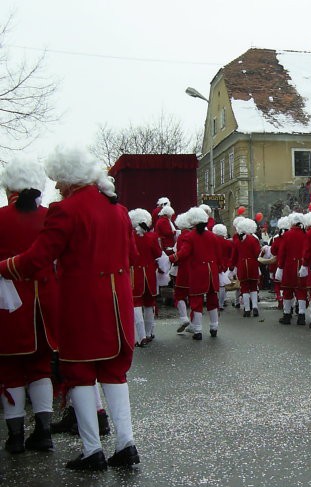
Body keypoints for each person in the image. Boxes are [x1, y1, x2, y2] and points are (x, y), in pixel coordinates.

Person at [0, 148, 140, 470]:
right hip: (118, 306)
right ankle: (126, 444)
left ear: (69, 177)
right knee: (114, 373)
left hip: (83, 307)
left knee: (79, 374)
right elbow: (130, 256)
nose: (58, 187)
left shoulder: (67, 210)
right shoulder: (118, 209)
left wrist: (5, 266)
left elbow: (37, 258)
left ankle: (92, 451)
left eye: (59, 180)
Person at [0, 159, 58, 455]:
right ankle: (45, 432)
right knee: (40, 367)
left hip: (9, 308)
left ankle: (15, 437)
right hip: (46, 303)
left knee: (9, 369)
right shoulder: (50, 217)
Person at [169, 207, 223, 339]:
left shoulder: (189, 236)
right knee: (212, 299)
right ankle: (214, 327)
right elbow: (219, 255)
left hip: (198, 271)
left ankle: (198, 330)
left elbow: (184, 253)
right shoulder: (212, 236)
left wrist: (171, 258)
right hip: (212, 271)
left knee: (196, 300)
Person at [128, 209, 168, 346]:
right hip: (150, 274)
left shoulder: (128, 236)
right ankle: (149, 332)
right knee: (149, 303)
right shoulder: (151, 237)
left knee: (136, 304)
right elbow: (158, 254)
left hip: (134, 275)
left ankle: (141, 336)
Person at [277, 213, 308, 324]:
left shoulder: (287, 235)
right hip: (302, 265)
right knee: (301, 291)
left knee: (287, 290)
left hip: (289, 266)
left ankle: (287, 314)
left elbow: (282, 253)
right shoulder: (306, 234)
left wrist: (280, 267)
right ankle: (301, 315)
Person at [231, 218, 262, 317]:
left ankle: (247, 309)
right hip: (253, 265)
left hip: (242, 266)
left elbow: (234, 256)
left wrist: (231, 267)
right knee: (253, 287)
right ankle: (255, 307)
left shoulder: (237, 241)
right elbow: (257, 253)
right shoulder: (254, 240)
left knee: (244, 288)